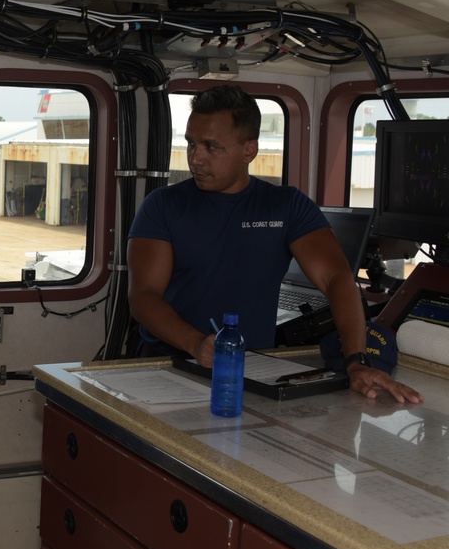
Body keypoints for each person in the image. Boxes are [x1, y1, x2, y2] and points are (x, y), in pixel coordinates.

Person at [127, 84, 422, 404]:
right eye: (191, 143)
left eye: (211, 147)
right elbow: (143, 296)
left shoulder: (286, 206)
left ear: (249, 150)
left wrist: (356, 362)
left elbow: (337, 279)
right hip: (169, 362)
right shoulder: (162, 206)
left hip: (251, 369)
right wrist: (197, 344)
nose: (195, 158)